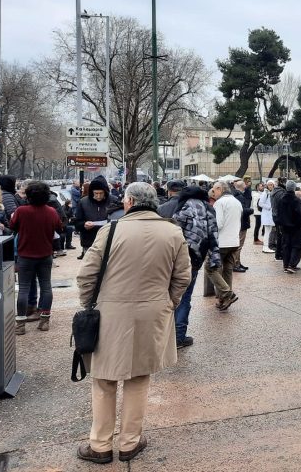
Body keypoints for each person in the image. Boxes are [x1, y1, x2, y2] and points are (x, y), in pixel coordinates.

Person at [76, 182, 191, 464]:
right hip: (153, 313)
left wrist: (88, 304)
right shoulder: (173, 232)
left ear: (128, 202)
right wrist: (168, 304)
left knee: (104, 381)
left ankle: (100, 445)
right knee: (139, 379)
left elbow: (87, 275)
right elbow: (182, 277)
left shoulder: (111, 229)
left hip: (109, 313)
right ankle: (130, 442)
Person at [9, 181, 63, 334]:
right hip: (45, 255)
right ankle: (44, 320)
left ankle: (20, 324)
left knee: (24, 288)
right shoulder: (51, 211)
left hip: (25, 255)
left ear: (29, 196)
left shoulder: (21, 211)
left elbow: (12, 226)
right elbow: (59, 227)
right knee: (46, 286)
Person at [172, 185, 220, 348]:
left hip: (175, 258)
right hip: (194, 259)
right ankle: (179, 336)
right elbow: (213, 234)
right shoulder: (208, 208)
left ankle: (166, 335)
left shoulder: (181, 207)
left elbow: (174, 233)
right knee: (185, 297)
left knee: (170, 295)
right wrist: (214, 258)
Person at [206, 181, 241, 310]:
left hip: (222, 242)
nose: (213, 193)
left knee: (210, 268)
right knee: (227, 270)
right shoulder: (237, 202)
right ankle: (224, 299)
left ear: (220, 189)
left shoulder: (220, 203)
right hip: (234, 241)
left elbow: (218, 224)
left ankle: (227, 294)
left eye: (214, 190)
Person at [75, 176, 114, 260]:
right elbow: (77, 223)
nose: (99, 196)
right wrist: (84, 225)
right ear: (91, 192)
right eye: (96, 193)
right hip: (89, 243)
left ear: (106, 192)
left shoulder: (114, 201)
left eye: (101, 193)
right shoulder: (83, 202)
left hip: (110, 243)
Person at [231, 180, 254, 272]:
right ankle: (236, 264)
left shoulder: (236, 195)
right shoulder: (239, 196)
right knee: (239, 245)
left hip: (239, 223)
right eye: (244, 184)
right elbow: (242, 210)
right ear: (242, 186)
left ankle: (238, 263)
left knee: (239, 245)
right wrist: (250, 210)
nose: (246, 185)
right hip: (241, 223)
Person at [258, 180, 276, 253]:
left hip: (270, 215)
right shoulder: (265, 193)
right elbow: (260, 203)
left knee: (269, 231)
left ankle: (267, 246)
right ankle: (265, 247)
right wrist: (269, 207)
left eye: (271, 184)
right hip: (267, 214)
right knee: (267, 232)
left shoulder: (271, 193)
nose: (270, 186)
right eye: (269, 185)